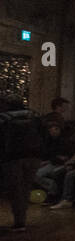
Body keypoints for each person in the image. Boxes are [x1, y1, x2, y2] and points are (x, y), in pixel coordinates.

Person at [0, 99, 43, 233]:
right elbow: (44, 136)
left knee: (15, 190)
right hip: (34, 157)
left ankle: (19, 221)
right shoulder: (34, 116)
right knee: (25, 188)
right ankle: (21, 220)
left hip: (13, 157)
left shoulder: (4, 118)